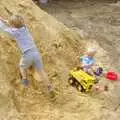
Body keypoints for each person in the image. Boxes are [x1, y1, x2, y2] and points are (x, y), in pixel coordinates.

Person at [0, 15, 55, 96]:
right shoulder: (24, 28)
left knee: (22, 67)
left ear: (12, 26)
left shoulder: (15, 32)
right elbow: (13, 24)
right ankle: (50, 88)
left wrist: (1, 22)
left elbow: (4, 30)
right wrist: (3, 20)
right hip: (36, 53)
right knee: (41, 72)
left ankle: (25, 80)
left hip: (27, 54)